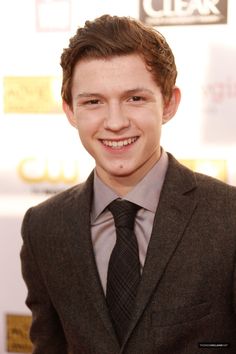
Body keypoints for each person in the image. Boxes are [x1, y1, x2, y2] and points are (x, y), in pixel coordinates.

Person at [20, 14, 236, 354]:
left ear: (168, 103)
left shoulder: (229, 215)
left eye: (135, 98)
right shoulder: (43, 227)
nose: (116, 122)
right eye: (93, 102)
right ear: (70, 111)